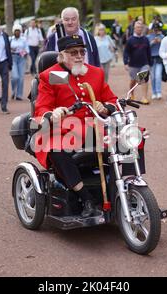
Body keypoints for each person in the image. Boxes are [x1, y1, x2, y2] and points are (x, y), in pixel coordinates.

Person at [35, 35, 118, 217]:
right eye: (73, 53)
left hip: (94, 127)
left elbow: (112, 99)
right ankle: (86, 198)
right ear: (62, 55)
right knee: (56, 148)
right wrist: (53, 113)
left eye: (82, 52)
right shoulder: (54, 75)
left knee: (127, 140)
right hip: (64, 129)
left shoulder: (95, 72)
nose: (79, 56)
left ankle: (122, 189)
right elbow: (42, 107)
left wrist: (105, 107)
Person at [123, 21, 152, 104]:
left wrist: (150, 64)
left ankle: (144, 97)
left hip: (144, 63)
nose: (139, 29)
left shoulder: (145, 39)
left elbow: (148, 52)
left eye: (141, 27)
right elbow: (126, 52)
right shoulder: (130, 40)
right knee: (133, 80)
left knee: (144, 80)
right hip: (133, 64)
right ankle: (132, 93)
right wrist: (125, 63)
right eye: (137, 27)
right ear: (134, 29)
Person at [10, 24, 29, 101]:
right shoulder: (10, 39)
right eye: (16, 31)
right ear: (13, 32)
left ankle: (19, 95)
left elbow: (27, 50)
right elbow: (7, 49)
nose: (17, 32)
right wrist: (12, 49)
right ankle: (13, 90)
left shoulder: (23, 39)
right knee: (15, 77)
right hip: (13, 58)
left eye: (18, 31)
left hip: (21, 58)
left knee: (21, 78)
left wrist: (23, 52)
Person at [147, 23, 165, 101]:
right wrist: (152, 42)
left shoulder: (162, 37)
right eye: (154, 28)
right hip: (151, 58)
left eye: (157, 28)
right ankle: (154, 92)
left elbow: (165, 47)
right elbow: (147, 47)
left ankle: (158, 92)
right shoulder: (148, 37)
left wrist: (160, 41)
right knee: (153, 77)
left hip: (159, 58)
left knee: (158, 76)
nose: (156, 30)